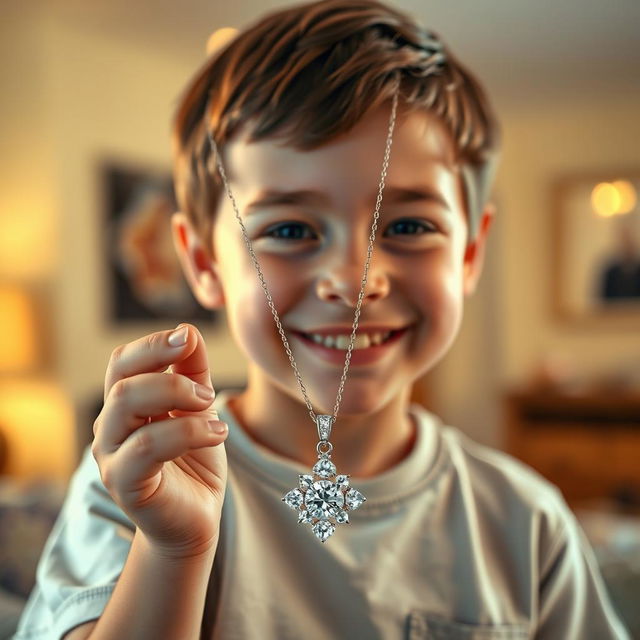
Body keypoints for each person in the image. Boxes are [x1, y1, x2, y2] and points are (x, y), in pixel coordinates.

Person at [15, 0, 630, 638]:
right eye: (289, 229)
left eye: (409, 226)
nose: (354, 278)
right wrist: (173, 553)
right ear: (203, 263)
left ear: (470, 252)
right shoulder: (141, 482)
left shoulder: (525, 525)